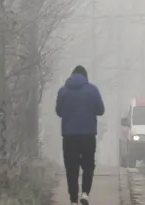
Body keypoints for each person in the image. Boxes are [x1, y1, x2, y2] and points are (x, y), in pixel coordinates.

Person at [56, 65, 105, 205]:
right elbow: (100, 110)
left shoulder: (63, 91)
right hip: (88, 134)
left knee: (71, 167)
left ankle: (73, 199)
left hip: (69, 135)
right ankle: (85, 193)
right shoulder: (93, 90)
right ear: (85, 77)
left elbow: (59, 111)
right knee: (88, 165)